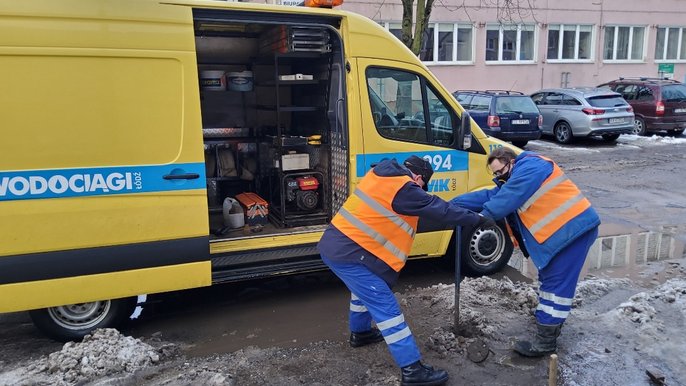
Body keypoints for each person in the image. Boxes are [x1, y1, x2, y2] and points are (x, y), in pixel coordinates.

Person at [317, 155, 494, 386]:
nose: (420, 190)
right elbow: (437, 208)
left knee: (363, 291)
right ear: (418, 177)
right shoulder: (404, 189)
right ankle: (412, 370)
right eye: (422, 186)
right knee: (386, 308)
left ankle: (360, 333)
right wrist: (476, 219)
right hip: (349, 253)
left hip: (340, 247)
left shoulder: (382, 176)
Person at [450, 147, 600, 357]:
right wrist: (452, 204)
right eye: (495, 174)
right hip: (559, 235)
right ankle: (549, 322)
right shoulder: (516, 176)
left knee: (556, 286)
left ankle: (545, 341)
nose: (498, 177)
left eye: (499, 171)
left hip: (572, 232)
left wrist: (481, 217)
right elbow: (490, 195)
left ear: (511, 161)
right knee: (549, 281)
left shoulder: (533, 165)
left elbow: (508, 197)